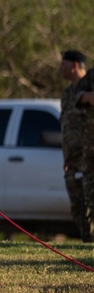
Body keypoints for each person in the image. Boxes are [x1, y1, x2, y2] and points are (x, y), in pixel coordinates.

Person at [59, 50, 92, 241]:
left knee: (90, 204)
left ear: (74, 66)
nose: (59, 69)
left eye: (63, 64)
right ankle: (88, 243)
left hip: (88, 157)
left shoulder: (89, 87)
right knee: (77, 207)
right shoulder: (68, 94)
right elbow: (66, 127)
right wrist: (67, 157)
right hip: (73, 160)